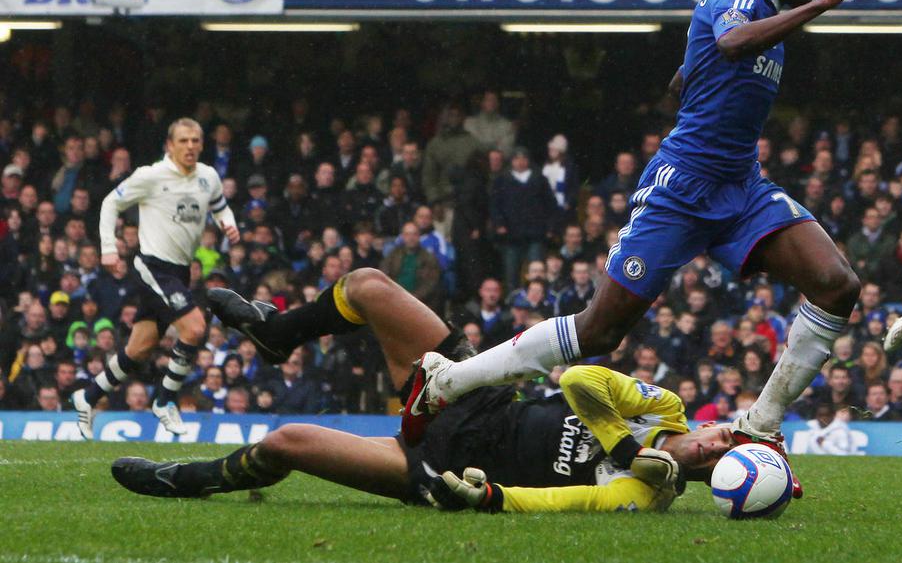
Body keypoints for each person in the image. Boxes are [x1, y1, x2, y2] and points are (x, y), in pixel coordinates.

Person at [403, 0, 879, 502]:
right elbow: (730, 41)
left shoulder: (768, 11)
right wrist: (823, 5)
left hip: (740, 187)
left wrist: (696, 75)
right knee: (599, 330)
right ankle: (448, 380)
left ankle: (760, 428)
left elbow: (690, 74)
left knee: (837, 285)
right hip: (681, 191)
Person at [112, 268, 734, 511]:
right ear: (712, 425)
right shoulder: (667, 408)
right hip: (472, 395)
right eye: (723, 439)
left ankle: (188, 480)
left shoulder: (645, 495)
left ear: (709, 480)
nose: (710, 450)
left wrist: (487, 497)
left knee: (284, 442)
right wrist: (625, 447)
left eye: (715, 464)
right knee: (368, 287)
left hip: (443, 467)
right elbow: (579, 378)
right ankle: (276, 333)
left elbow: (558, 504)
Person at [71, 119, 240, 439]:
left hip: (180, 271)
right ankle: (164, 400)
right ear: (170, 145)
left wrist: (227, 224)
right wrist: (109, 248)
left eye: (195, 140)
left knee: (140, 348)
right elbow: (110, 203)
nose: (190, 146)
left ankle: (88, 396)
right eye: (183, 140)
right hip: (153, 266)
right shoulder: (150, 176)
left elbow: (220, 207)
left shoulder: (208, 176)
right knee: (195, 328)